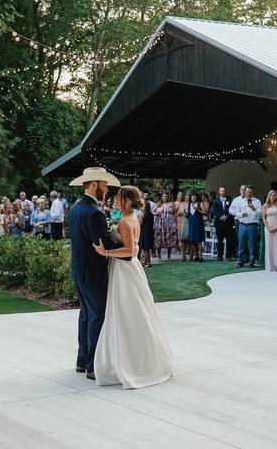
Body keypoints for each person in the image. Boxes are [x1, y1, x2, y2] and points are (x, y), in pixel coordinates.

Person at [90, 184, 173, 389]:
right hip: (126, 270)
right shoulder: (130, 218)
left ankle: (133, 364)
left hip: (125, 270)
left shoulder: (127, 221)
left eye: (118, 197)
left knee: (128, 313)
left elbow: (129, 251)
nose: (115, 199)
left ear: (127, 200)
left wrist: (105, 253)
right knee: (132, 312)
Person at [67, 167, 119, 381]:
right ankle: (92, 366)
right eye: (104, 185)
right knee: (97, 315)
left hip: (78, 268)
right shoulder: (94, 212)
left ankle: (81, 361)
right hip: (94, 270)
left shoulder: (75, 207)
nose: (106, 189)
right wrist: (120, 237)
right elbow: (102, 243)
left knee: (86, 315)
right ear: (93, 184)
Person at [230, 184, 261, 268]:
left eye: (250, 192)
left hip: (252, 225)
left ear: (252, 192)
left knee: (252, 245)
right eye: (247, 191)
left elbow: (259, 214)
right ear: (245, 192)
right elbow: (235, 212)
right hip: (242, 225)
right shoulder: (240, 201)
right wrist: (240, 214)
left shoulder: (257, 201)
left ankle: (251, 262)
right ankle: (240, 261)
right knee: (241, 244)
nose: (248, 193)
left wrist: (253, 208)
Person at [211, 187, 235, 261]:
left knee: (229, 239)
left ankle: (228, 256)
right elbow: (214, 211)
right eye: (221, 191)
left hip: (228, 223)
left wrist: (226, 217)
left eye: (224, 191)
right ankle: (219, 255)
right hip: (219, 223)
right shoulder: (215, 201)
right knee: (220, 240)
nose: (223, 192)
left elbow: (232, 210)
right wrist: (220, 217)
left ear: (225, 192)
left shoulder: (229, 200)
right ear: (219, 192)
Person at [153, 193, 178, 260]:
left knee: (169, 239)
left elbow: (175, 213)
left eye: (166, 196)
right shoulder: (158, 204)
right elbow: (152, 212)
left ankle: (169, 256)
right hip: (160, 224)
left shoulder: (171, 204)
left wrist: (175, 223)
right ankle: (159, 256)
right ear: (161, 197)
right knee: (159, 239)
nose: (165, 197)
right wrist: (156, 213)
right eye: (164, 196)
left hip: (169, 224)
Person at [187, 193, 208, 262]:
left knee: (199, 240)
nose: (193, 198)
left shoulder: (200, 204)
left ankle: (200, 257)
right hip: (191, 224)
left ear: (196, 197)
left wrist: (198, 209)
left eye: (194, 196)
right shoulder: (189, 205)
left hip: (198, 224)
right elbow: (188, 216)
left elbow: (205, 213)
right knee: (192, 240)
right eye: (191, 197)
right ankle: (196, 256)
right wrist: (185, 213)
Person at [137, 197, 155, 268]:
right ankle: (146, 261)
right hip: (150, 231)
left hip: (144, 231)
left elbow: (140, 223)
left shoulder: (143, 214)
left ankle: (148, 262)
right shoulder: (151, 213)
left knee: (145, 248)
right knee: (147, 248)